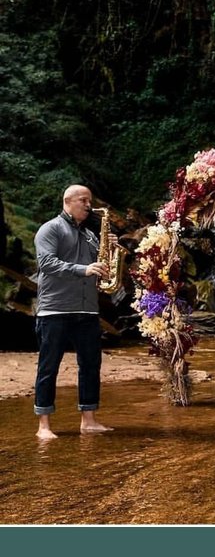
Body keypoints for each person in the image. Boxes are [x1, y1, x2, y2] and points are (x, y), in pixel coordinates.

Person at [33, 184, 113, 440]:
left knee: (90, 365)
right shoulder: (50, 228)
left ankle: (88, 420)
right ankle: (43, 426)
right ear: (68, 201)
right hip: (54, 310)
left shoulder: (90, 234)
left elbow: (100, 266)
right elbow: (46, 263)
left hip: (87, 310)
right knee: (48, 367)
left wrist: (109, 249)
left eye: (89, 200)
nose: (89, 205)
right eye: (83, 200)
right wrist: (83, 269)